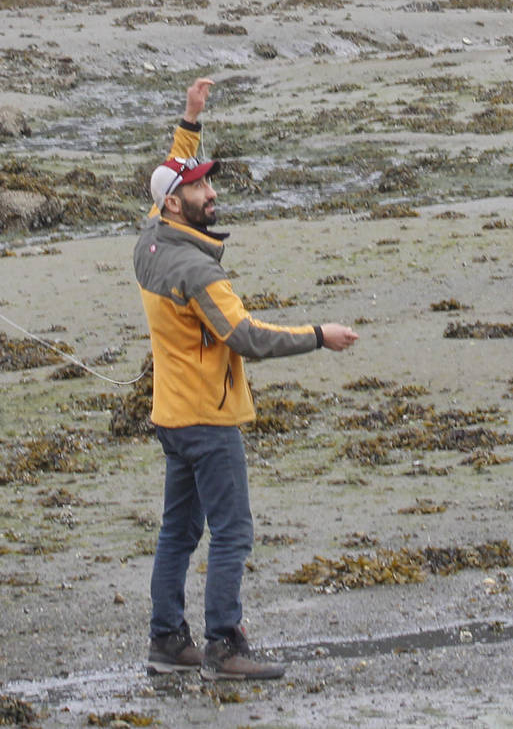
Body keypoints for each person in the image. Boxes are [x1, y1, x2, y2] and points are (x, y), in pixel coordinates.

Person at [135, 78, 359, 681]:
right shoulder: (197, 272)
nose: (211, 192)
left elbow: (168, 175)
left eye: (209, 181)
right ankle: (224, 647)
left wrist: (190, 117)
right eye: (200, 186)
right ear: (175, 205)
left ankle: (166, 639)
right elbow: (247, 338)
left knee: (177, 533)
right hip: (208, 419)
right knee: (232, 533)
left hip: (171, 416)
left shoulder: (149, 242)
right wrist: (319, 335)